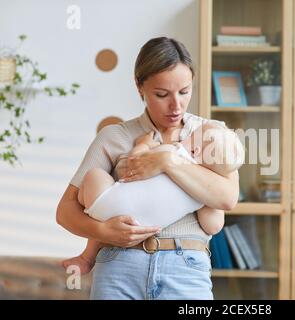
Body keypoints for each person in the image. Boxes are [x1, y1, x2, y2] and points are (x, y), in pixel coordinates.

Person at [56, 37, 242, 300]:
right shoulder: (114, 137)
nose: (176, 106)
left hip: (185, 266)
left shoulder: (212, 136)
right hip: (118, 265)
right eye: (162, 94)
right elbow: (65, 212)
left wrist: (168, 161)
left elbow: (227, 198)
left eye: (184, 91)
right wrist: (103, 231)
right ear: (139, 86)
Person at [61, 122, 243, 275]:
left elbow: (136, 160)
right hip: (141, 226)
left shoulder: (172, 152)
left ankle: (86, 257)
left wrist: (144, 144)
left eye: (190, 136)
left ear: (195, 149)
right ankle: (87, 255)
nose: (182, 139)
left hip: (113, 210)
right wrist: (208, 198)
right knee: (107, 217)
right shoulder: (201, 194)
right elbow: (214, 226)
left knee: (94, 176)